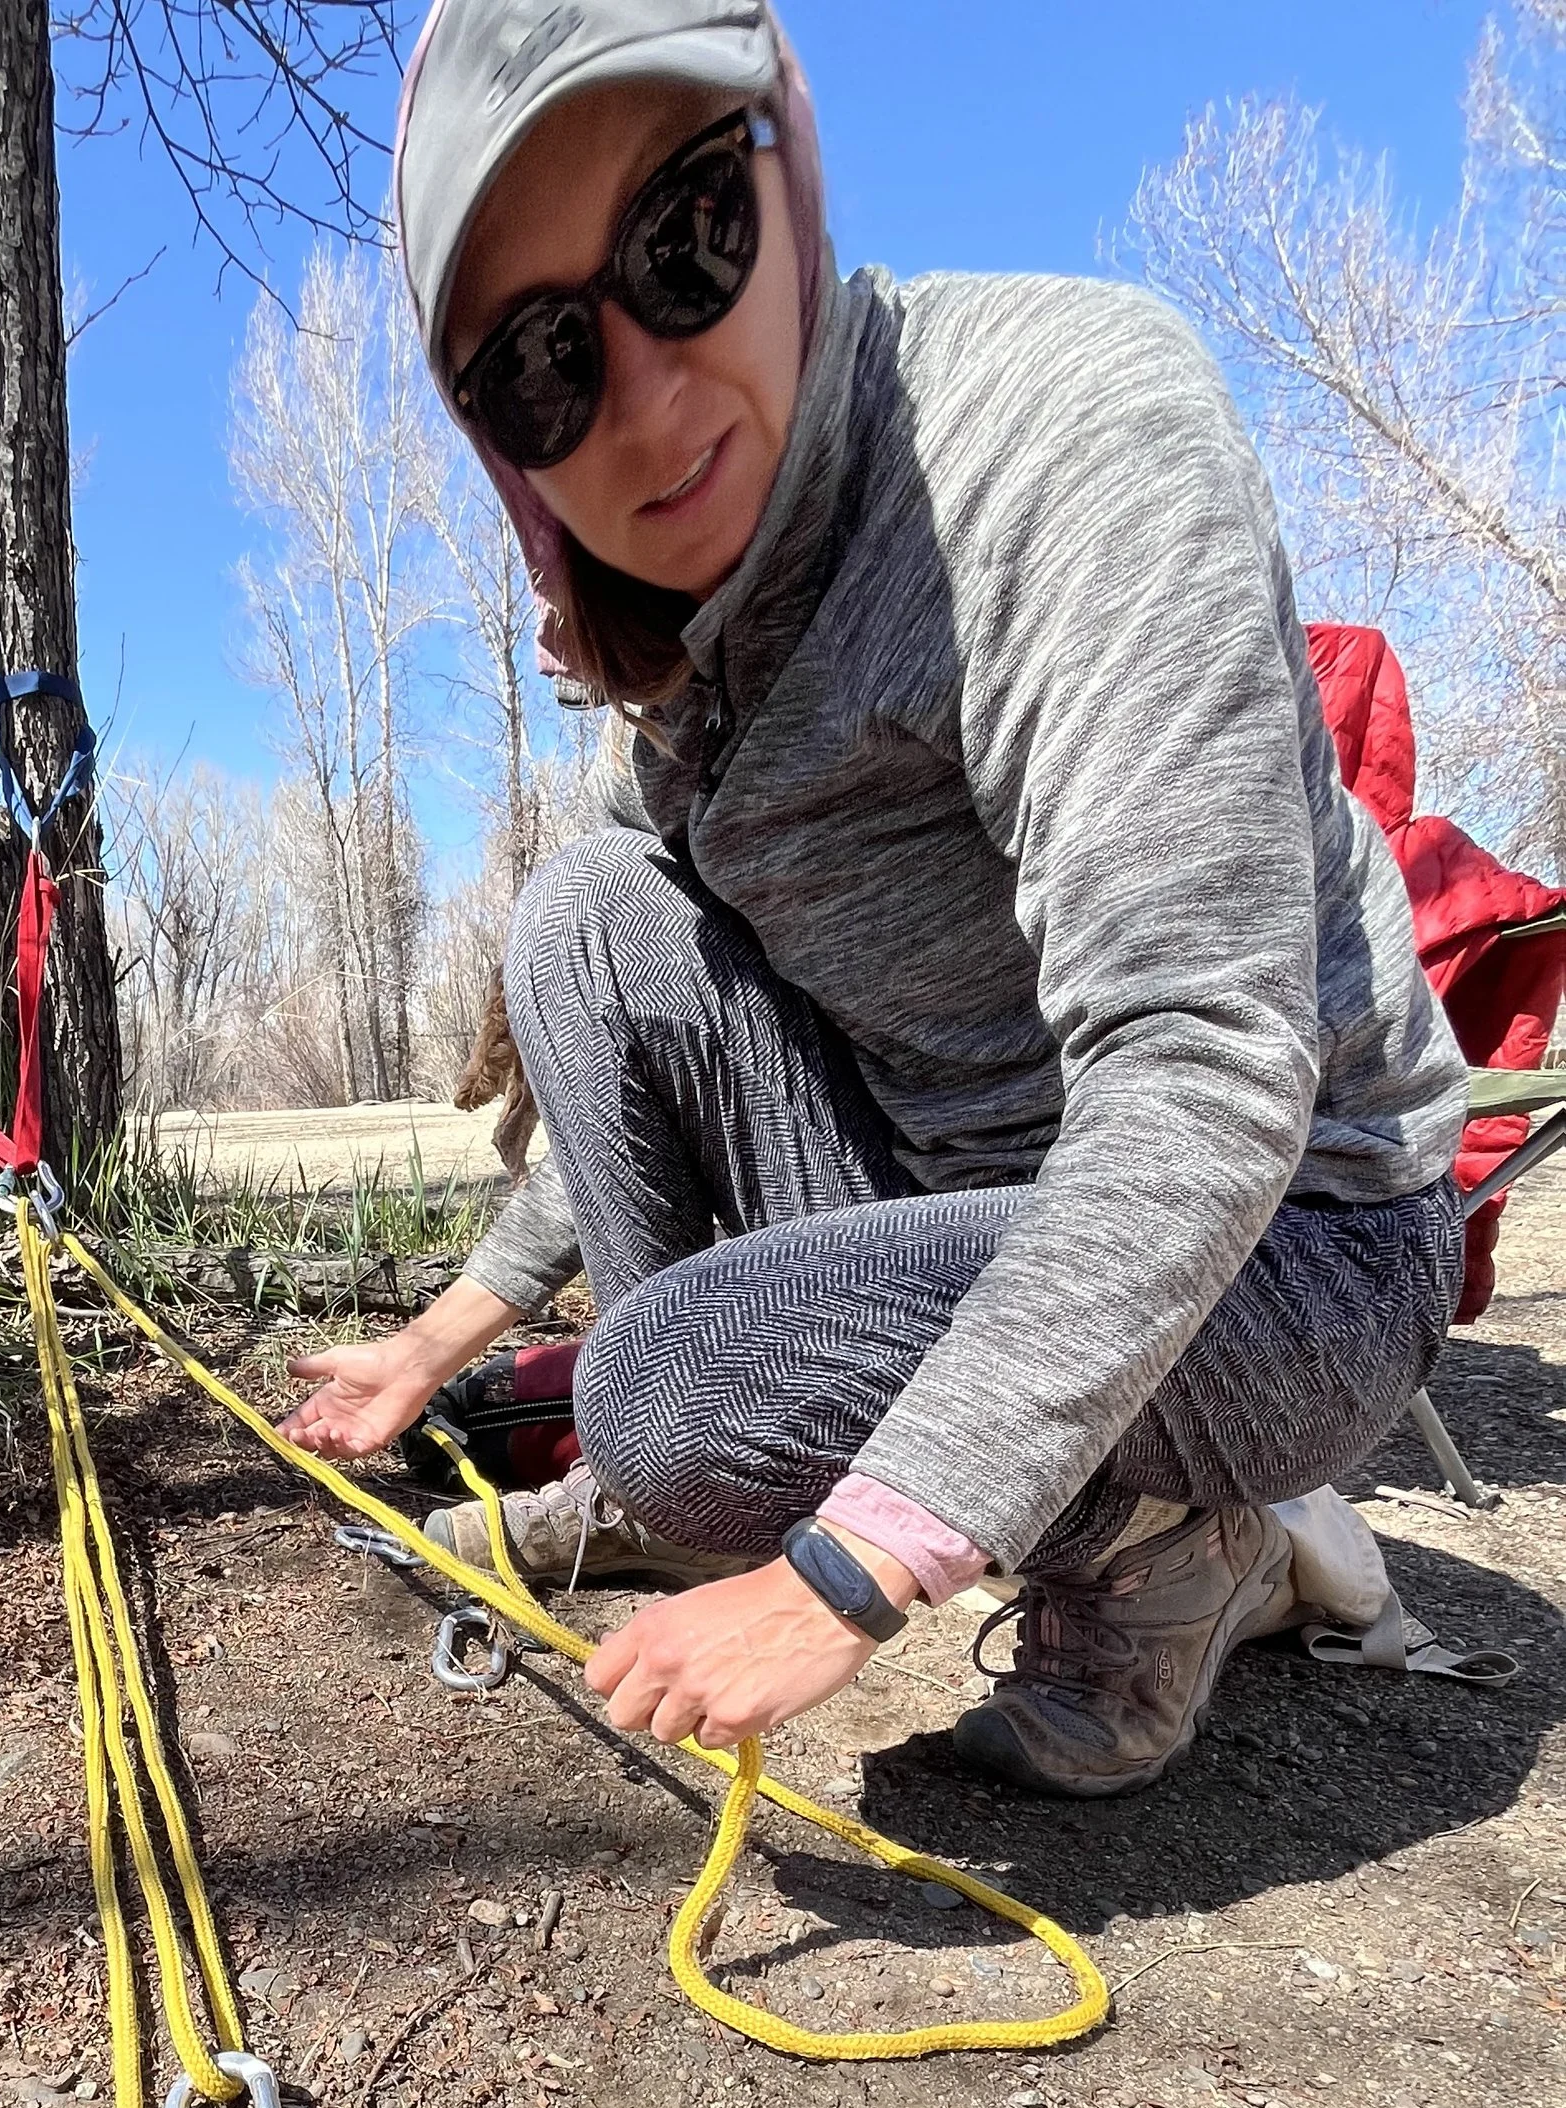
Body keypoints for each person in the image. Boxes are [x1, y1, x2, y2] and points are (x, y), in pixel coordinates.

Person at [278, 0, 1466, 1798]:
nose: (647, 396)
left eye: (685, 243)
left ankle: (1155, 1542)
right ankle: (684, 1478)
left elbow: (1212, 1076)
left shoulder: (1062, 433)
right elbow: (615, 998)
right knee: (584, 913)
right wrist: (441, 1338)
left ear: (793, 161)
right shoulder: (691, 662)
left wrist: (856, 1567)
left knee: (669, 1388)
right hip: (953, 1199)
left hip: (1291, 1249)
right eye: (541, 365)